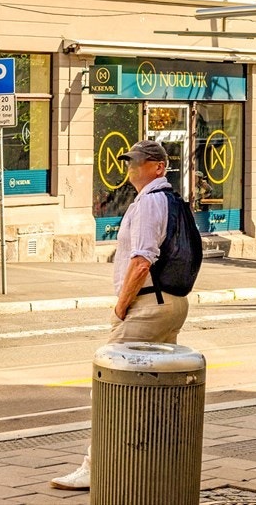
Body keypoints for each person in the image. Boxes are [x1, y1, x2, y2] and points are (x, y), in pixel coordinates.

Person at [51, 140, 192, 491]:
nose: (131, 167)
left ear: (158, 168)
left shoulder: (150, 202)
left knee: (111, 385)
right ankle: (157, 460)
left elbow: (142, 259)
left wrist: (121, 305)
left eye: (138, 162)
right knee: (155, 388)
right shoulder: (172, 201)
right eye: (130, 161)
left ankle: (95, 467)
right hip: (169, 303)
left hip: (147, 304)